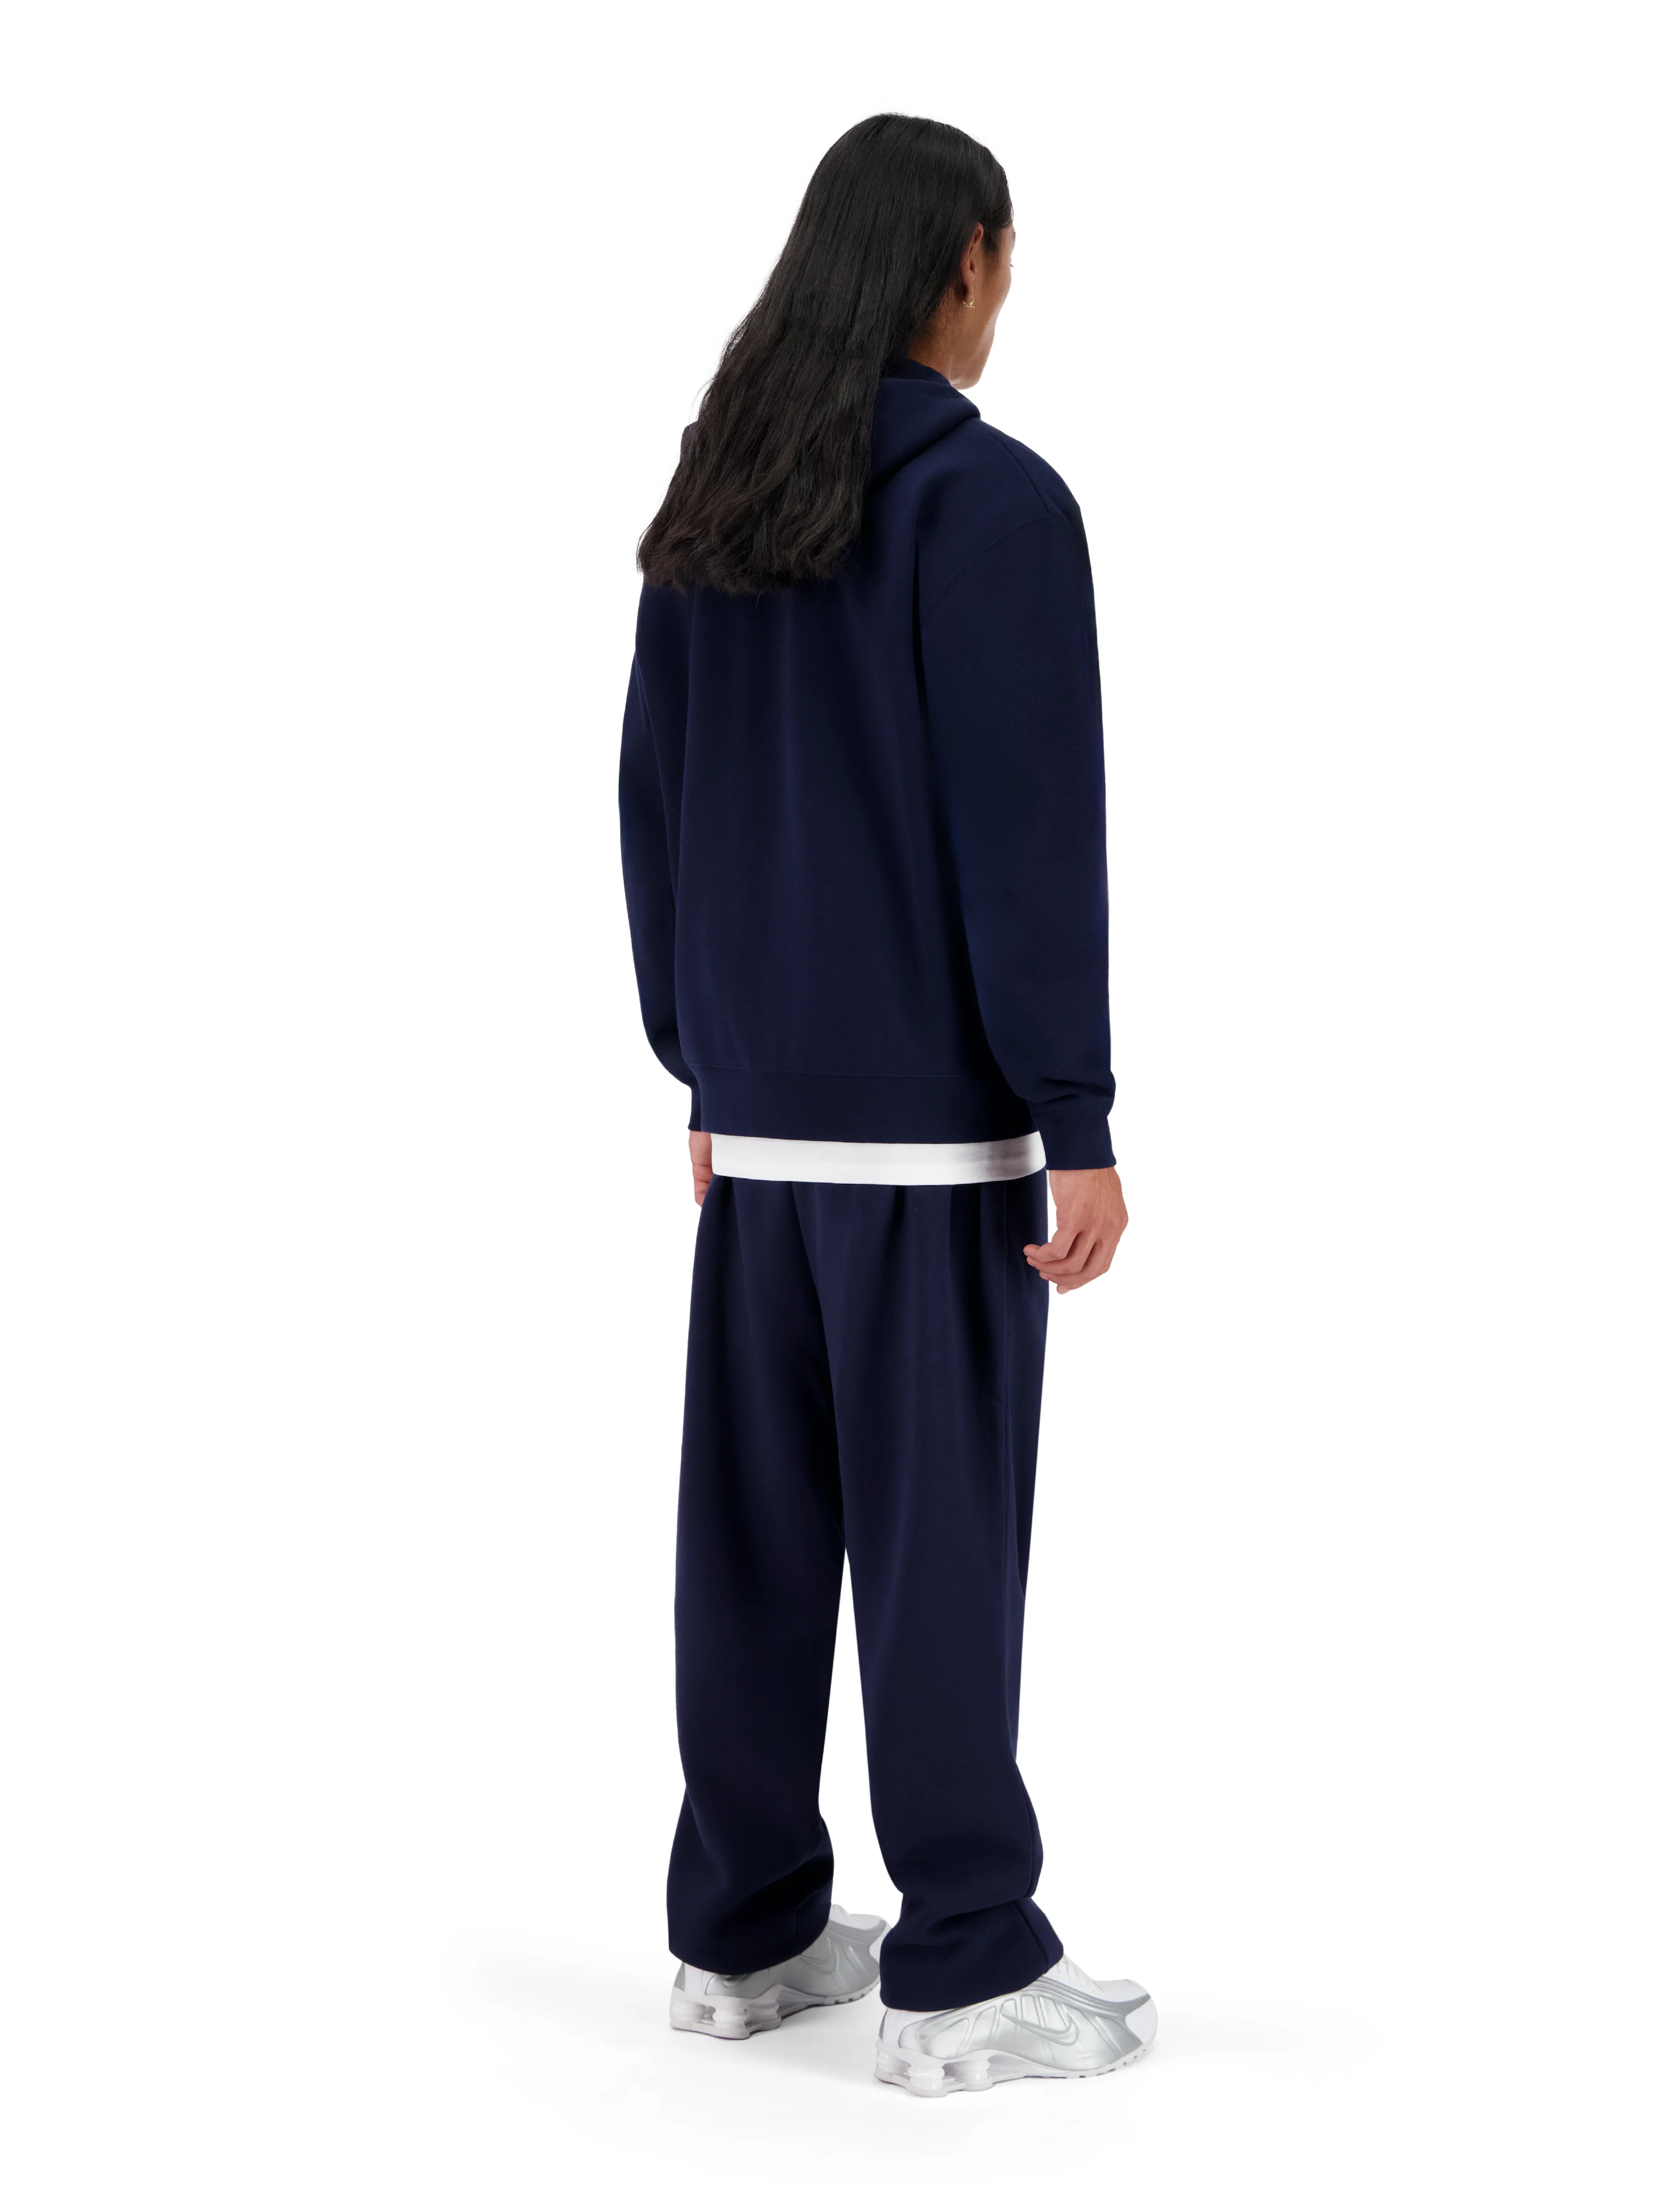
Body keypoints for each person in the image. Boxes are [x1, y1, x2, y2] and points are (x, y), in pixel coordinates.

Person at [618, 113, 1154, 2097]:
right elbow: (1028, 831)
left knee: (753, 1542)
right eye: (1006, 268)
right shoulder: (991, 507)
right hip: (932, 1137)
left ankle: (744, 1928)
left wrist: (702, 1058)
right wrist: (1075, 1113)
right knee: (938, 1551)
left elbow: (654, 799)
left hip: (759, 1127)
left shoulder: (725, 494)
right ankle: (963, 1965)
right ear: (966, 262)